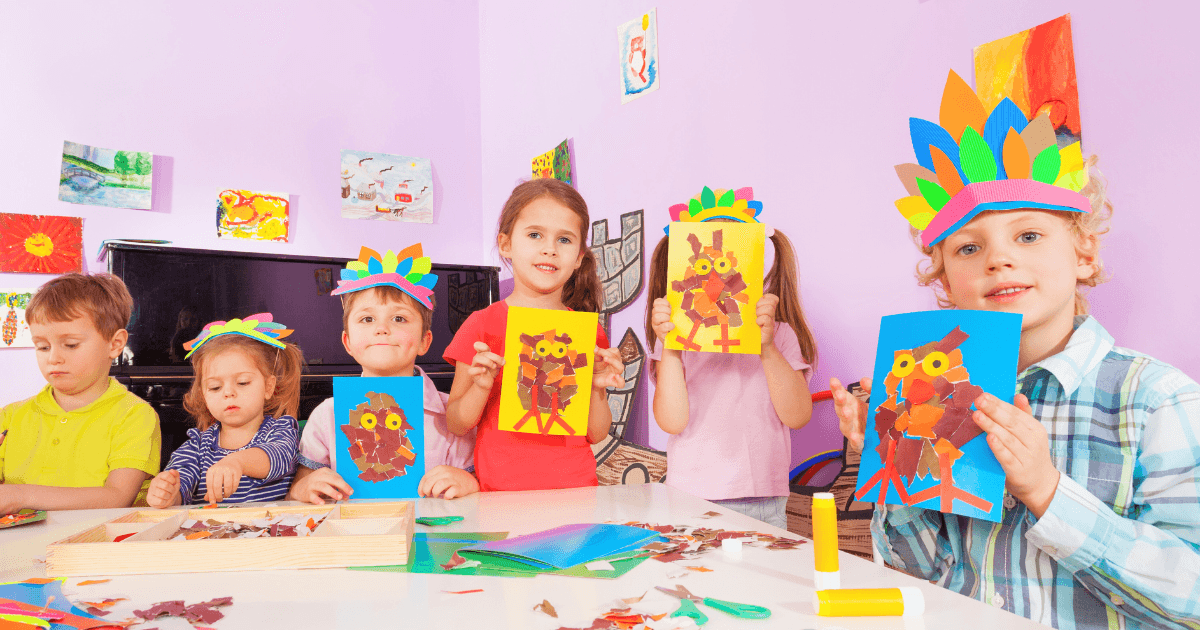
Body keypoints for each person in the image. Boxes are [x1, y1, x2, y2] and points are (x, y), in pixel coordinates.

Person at [830, 70, 1200, 629]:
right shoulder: (944, 391)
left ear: (1084, 256)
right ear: (946, 285)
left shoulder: (1156, 400)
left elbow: (1191, 596)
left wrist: (1047, 491)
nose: (997, 260)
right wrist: (896, 465)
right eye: (969, 247)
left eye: (1028, 236)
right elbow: (913, 571)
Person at [645, 186, 817, 529]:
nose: (715, 279)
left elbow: (798, 415)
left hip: (762, 499)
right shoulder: (673, 345)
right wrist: (672, 347)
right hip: (688, 497)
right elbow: (672, 421)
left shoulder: (779, 334)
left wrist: (765, 347)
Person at [443, 179, 625, 491]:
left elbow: (596, 433)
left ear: (579, 256)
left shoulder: (587, 331)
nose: (549, 249)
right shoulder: (481, 325)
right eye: (535, 234)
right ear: (506, 244)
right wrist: (480, 386)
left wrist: (595, 389)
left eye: (565, 240)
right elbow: (456, 423)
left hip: (576, 489)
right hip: (500, 493)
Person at [287, 244, 479, 503]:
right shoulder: (327, 415)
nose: (382, 329)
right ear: (347, 343)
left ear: (425, 341)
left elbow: (477, 487)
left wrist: (469, 482)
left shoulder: (454, 415)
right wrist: (304, 488)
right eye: (367, 319)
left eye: (399, 319)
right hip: (355, 538)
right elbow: (300, 486)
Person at [0, 273, 160, 511]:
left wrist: (20, 495)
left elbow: (117, 497)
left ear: (115, 344)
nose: (54, 358)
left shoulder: (135, 416)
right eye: (42, 347)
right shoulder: (11, 416)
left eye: (71, 344)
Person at [146, 313, 301, 507]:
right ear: (203, 394)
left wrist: (237, 462)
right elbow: (180, 488)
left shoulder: (281, 431)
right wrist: (167, 493)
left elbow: (279, 457)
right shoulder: (196, 446)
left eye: (242, 382)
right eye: (215, 387)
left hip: (270, 535)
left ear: (268, 387)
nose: (228, 393)